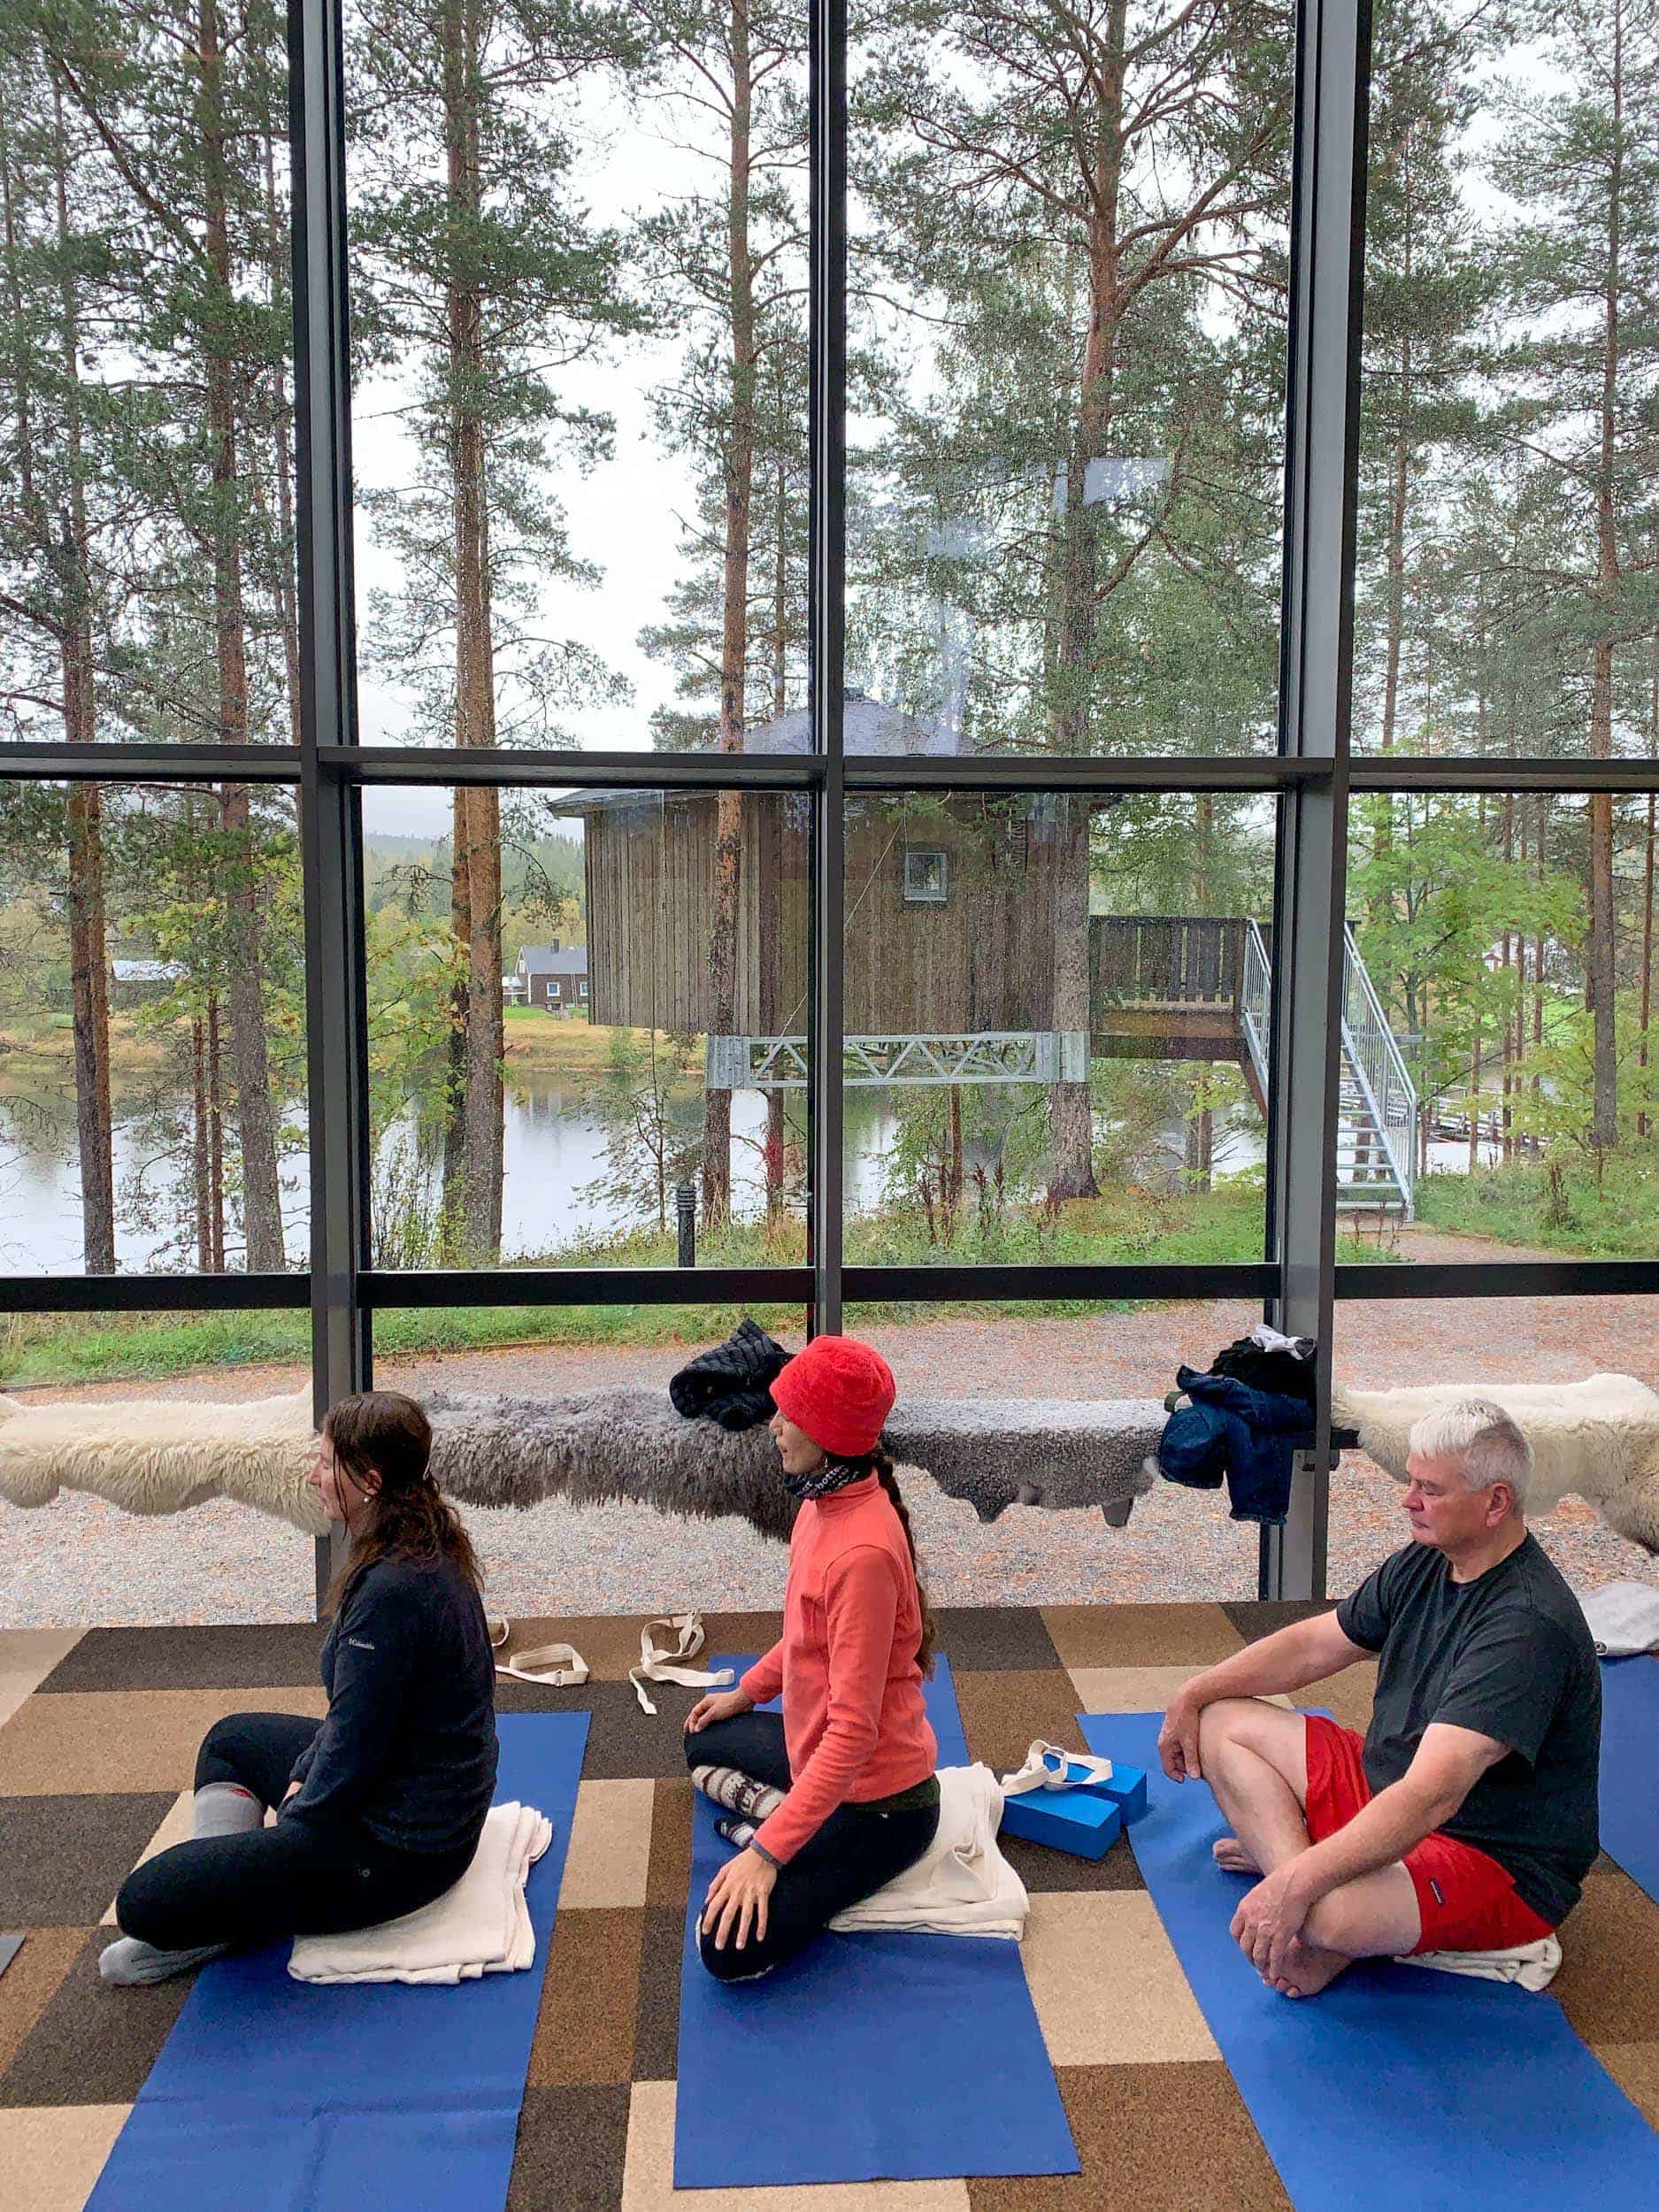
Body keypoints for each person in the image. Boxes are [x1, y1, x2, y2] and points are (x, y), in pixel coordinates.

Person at [1156, 1397, 1600, 2000]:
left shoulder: (1523, 1626)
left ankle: (1309, 1911)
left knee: (1327, 1914)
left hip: (1491, 1859)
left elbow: (1430, 1796)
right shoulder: (1427, 1559)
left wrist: (1290, 1888)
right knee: (1220, 1719)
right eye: (1411, 1482)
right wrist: (1193, 1690)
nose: (1407, 1500)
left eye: (1429, 1489)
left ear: (1495, 1501)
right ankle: (1303, 1888)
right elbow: (1314, 1645)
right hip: (1386, 1786)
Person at [101, 1390, 498, 1985]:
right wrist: (309, 1768)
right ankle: (231, 1909)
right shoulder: (417, 1544)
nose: (313, 1475)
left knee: (141, 1903)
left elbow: (358, 1746)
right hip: (407, 1790)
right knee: (231, 1741)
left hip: (403, 1852)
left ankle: (232, 1910)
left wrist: (298, 1817)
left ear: (368, 1480)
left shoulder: (393, 1590)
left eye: (325, 1462)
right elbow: (357, 1717)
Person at [683, 1334, 941, 1980]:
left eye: (788, 1414)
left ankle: (789, 1829)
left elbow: (853, 1733)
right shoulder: (821, 1498)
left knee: (725, 1952)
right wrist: (746, 1692)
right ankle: (794, 1823)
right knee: (703, 1740)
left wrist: (766, 1854)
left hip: (882, 1808)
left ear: (827, 1431)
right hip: (818, 1758)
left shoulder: (862, 1557)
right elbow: (805, 1634)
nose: (774, 1427)